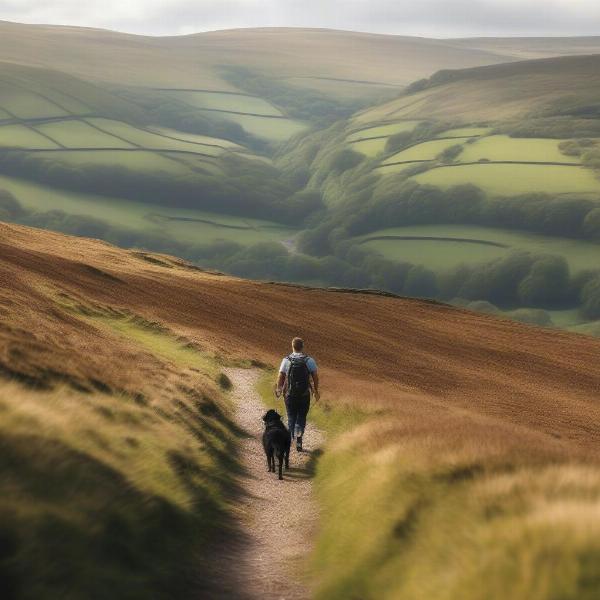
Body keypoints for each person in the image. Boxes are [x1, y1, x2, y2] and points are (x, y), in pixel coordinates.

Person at [275, 337, 319, 452]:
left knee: (291, 417)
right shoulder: (309, 360)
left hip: (290, 395)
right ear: (302, 347)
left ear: (292, 346)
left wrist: (279, 389)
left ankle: (289, 441)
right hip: (304, 395)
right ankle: (299, 439)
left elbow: (281, 376)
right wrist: (316, 391)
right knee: (301, 417)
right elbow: (315, 377)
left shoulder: (286, 360)